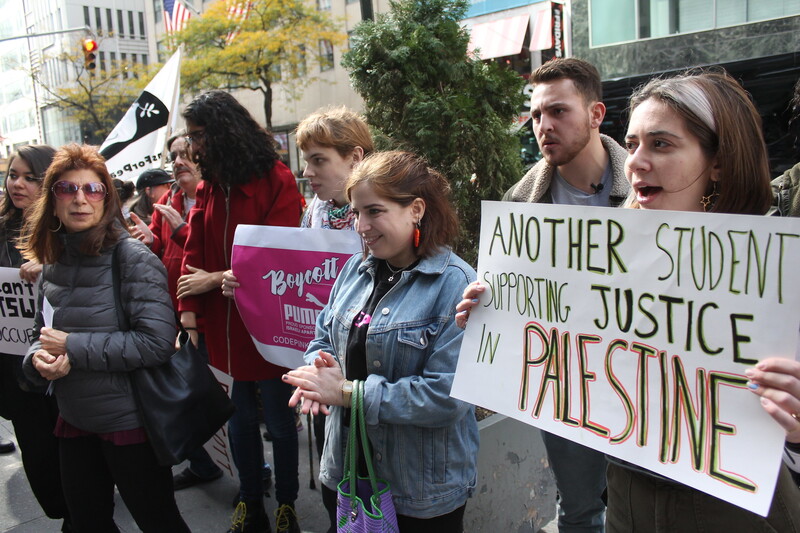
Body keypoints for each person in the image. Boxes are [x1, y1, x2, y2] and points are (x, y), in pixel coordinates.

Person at [607, 70, 800, 530]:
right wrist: (500, 315)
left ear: (718, 161)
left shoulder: (779, 270)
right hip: (627, 498)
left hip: (739, 507)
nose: (635, 161)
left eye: (661, 144)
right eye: (631, 144)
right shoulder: (606, 258)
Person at [461, 57, 630, 533]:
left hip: (638, 379)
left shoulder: (642, 184)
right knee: (578, 509)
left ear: (596, 114)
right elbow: (512, 294)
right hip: (565, 384)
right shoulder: (521, 203)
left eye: (558, 112)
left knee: (639, 507)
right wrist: (482, 302)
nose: (544, 126)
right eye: (536, 115)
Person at [282, 151, 479, 533]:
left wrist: (346, 392)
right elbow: (324, 331)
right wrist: (317, 373)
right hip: (345, 470)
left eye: (374, 211)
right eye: (356, 213)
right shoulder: (356, 268)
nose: (361, 226)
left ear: (416, 209)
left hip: (420, 491)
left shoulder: (455, 284)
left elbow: (448, 396)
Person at [19, 143, 190, 533]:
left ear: (106, 198)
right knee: (85, 523)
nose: (80, 199)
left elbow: (157, 342)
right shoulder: (51, 262)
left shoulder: (131, 257)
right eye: (67, 189)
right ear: (53, 200)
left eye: (92, 190)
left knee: (159, 522)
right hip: (74, 421)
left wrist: (73, 349)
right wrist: (38, 360)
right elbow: (38, 334)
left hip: (129, 424)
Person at [177, 90, 304, 533]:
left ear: (222, 130)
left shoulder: (277, 178)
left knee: (280, 423)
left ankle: (286, 503)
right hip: (222, 329)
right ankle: (251, 501)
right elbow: (193, 250)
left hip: (266, 326)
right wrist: (189, 316)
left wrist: (213, 279)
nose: (192, 146)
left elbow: (278, 255)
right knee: (238, 423)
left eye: (197, 135)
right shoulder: (210, 186)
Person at [129, 132, 224, 490]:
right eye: (174, 156)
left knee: (216, 396)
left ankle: (248, 469)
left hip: (207, 316)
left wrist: (182, 230)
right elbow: (156, 244)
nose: (179, 161)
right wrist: (152, 240)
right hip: (170, 314)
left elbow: (210, 258)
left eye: (186, 153)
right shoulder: (168, 199)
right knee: (184, 396)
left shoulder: (213, 199)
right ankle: (203, 464)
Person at [0, 145, 72, 531]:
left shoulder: (68, 230)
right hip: (16, 368)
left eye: (30, 177)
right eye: (13, 175)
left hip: (64, 365)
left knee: (73, 456)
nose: (18, 184)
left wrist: (50, 268)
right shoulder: (1, 229)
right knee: (39, 456)